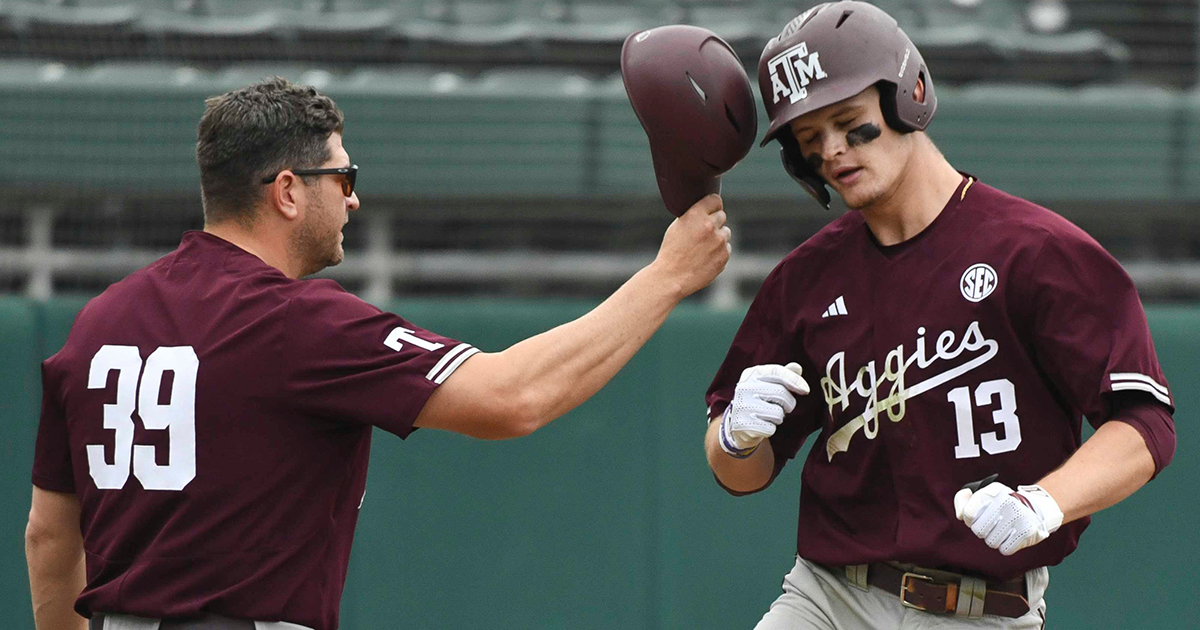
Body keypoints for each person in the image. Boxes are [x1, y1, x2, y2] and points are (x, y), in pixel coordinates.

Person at [26, 77, 732, 630]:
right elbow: (514, 398)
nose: (355, 200)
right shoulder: (294, 323)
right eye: (344, 176)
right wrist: (667, 277)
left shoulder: (96, 322)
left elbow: (50, 538)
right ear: (288, 193)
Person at [703, 3, 1176, 629]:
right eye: (811, 140)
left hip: (982, 610)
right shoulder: (805, 279)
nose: (835, 151)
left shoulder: (1039, 254)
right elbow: (740, 474)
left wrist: (1045, 502)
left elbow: (1145, 425)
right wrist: (735, 436)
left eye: (851, 123)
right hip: (824, 599)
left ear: (911, 94)